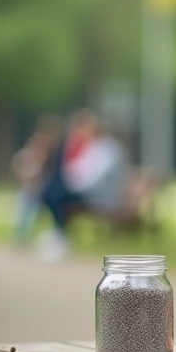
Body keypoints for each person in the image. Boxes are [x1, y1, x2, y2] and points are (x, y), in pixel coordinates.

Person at [37, 111, 128, 260]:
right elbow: (77, 170)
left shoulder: (108, 149)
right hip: (90, 192)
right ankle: (59, 235)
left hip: (102, 197)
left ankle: (60, 236)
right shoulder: (94, 147)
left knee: (57, 196)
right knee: (53, 194)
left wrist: (72, 184)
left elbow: (95, 178)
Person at [11, 113, 64, 245]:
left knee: (28, 199)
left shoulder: (56, 148)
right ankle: (22, 234)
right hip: (35, 187)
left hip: (46, 186)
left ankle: (23, 234)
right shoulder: (38, 144)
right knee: (27, 198)